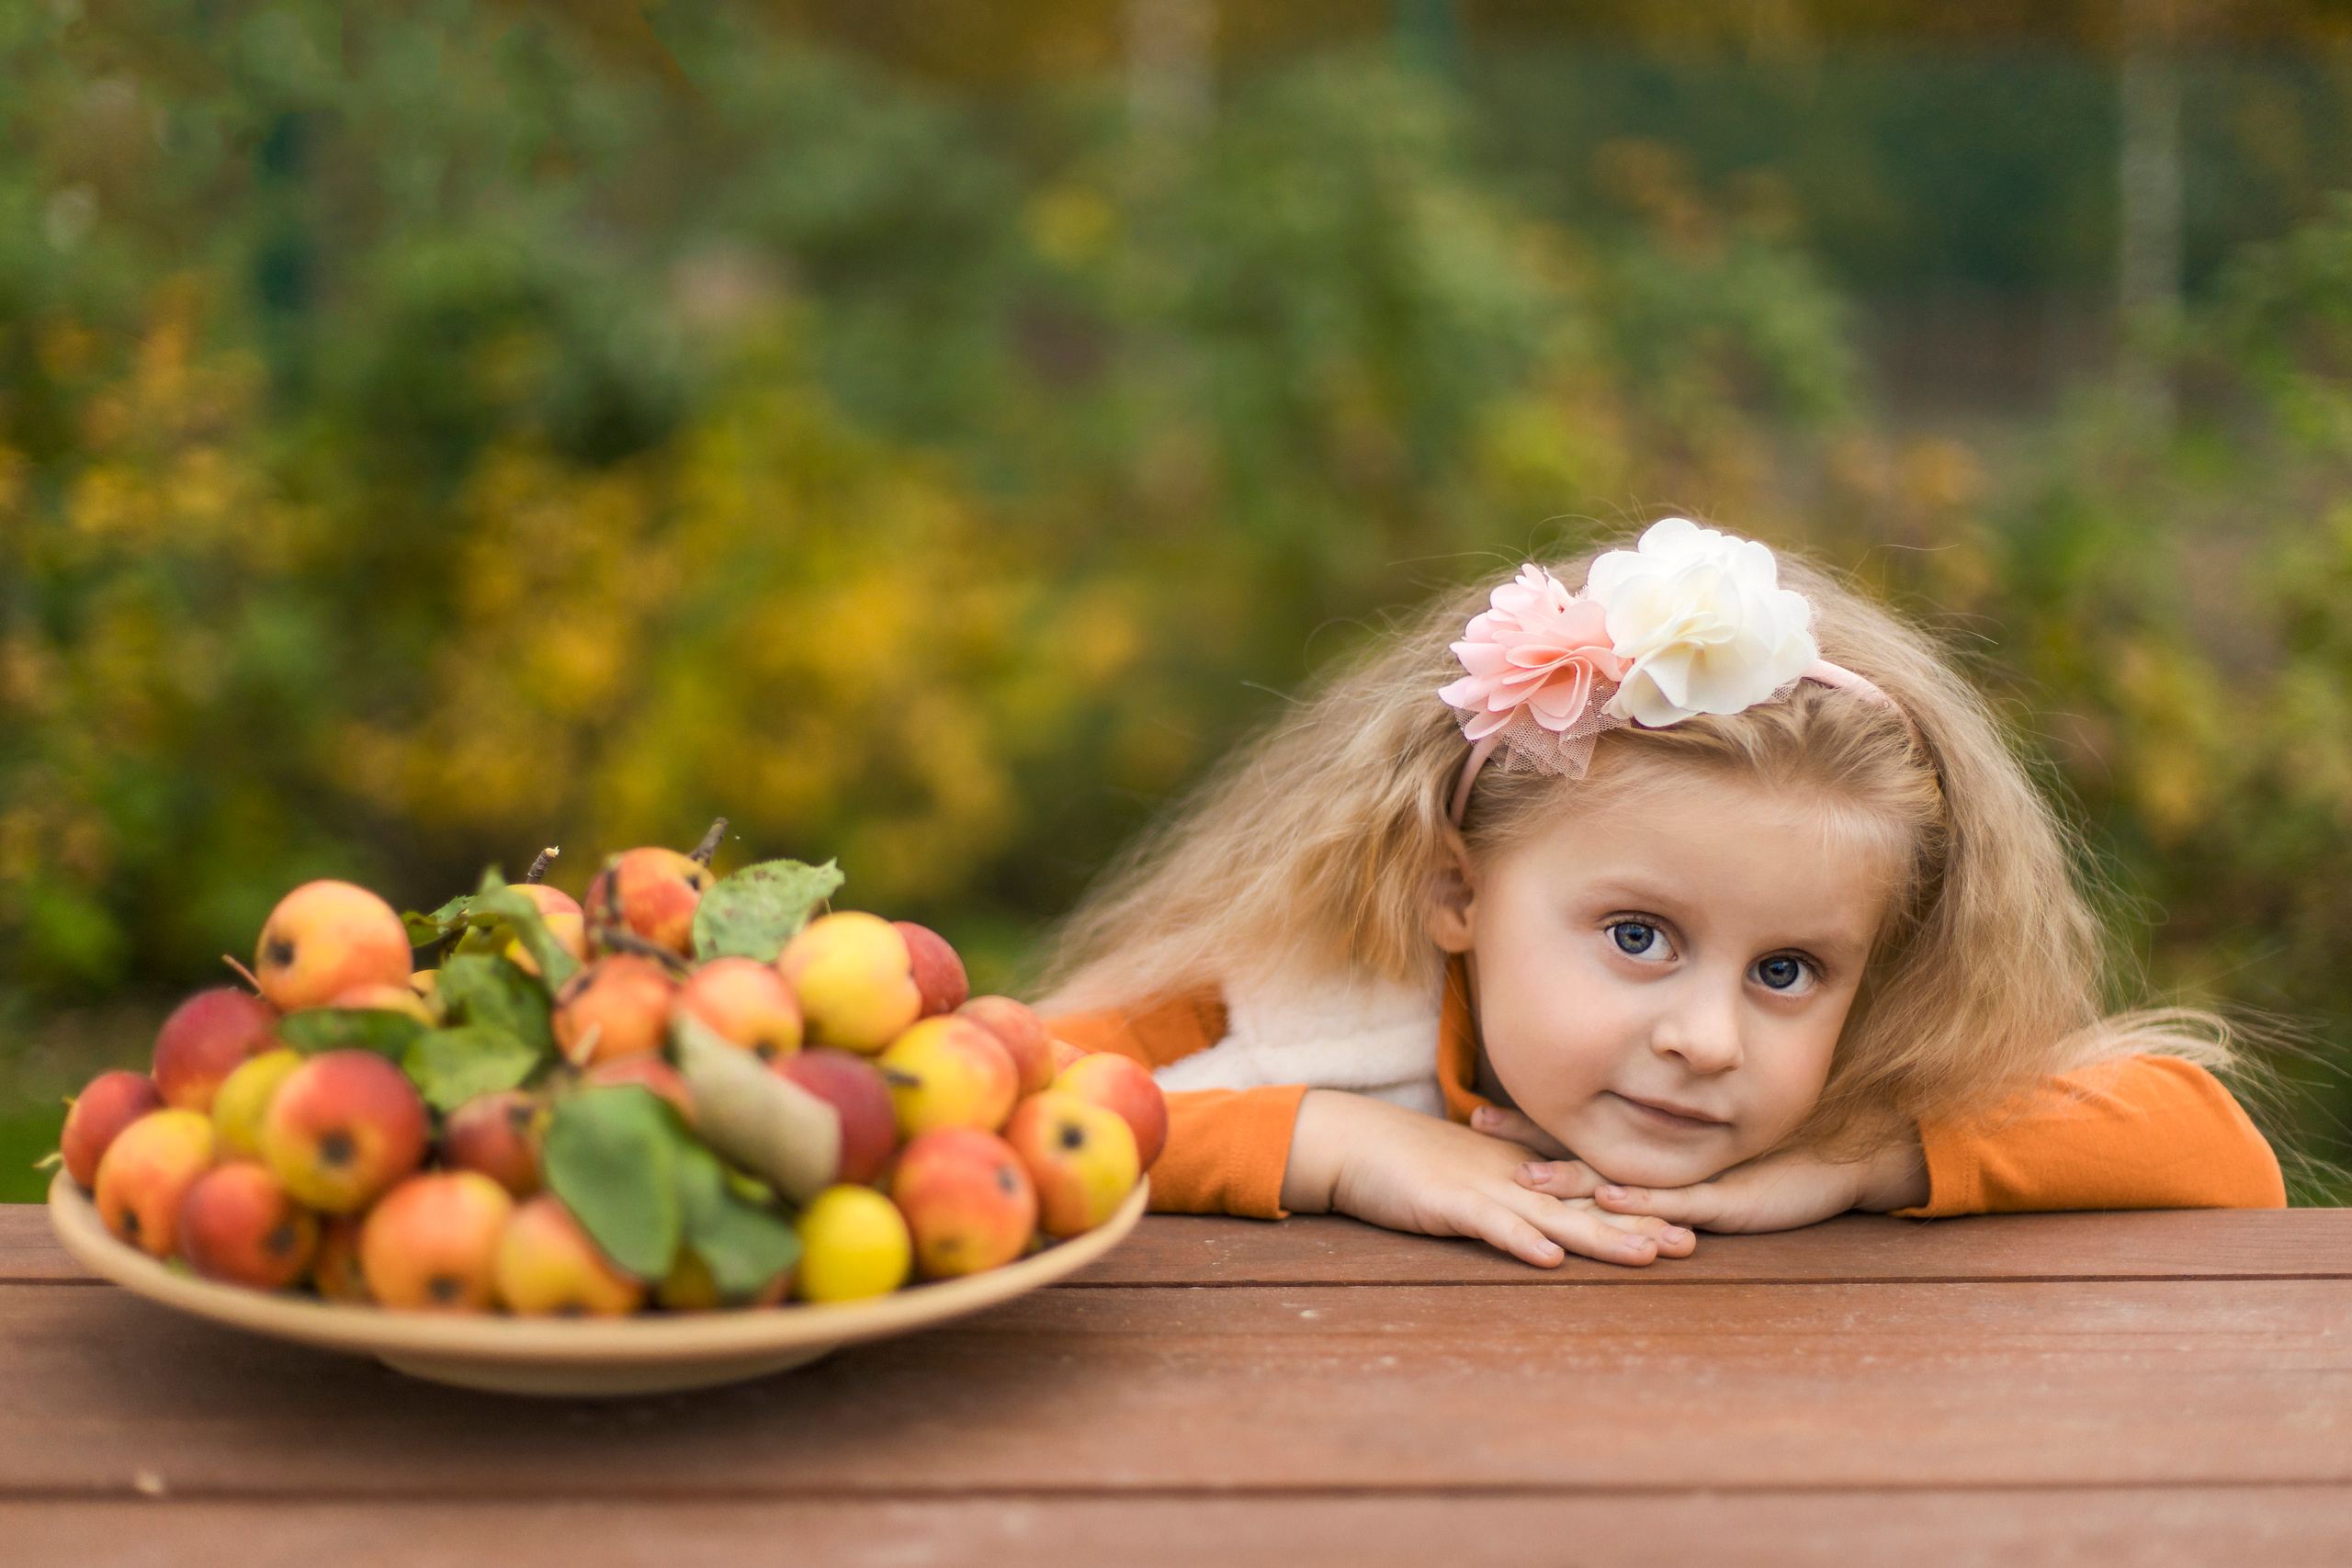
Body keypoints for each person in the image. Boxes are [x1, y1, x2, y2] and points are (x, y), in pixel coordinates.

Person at [1038, 519, 2284, 1268]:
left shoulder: (1861, 1071)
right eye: (1639, 938)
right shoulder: (1299, 1003)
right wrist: (1333, 1144)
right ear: (1453, 890)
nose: (1706, 1039)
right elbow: (996, 1098)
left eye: (1787, 971)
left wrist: (1864, 1163)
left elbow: (2220, 1152)